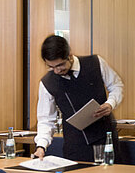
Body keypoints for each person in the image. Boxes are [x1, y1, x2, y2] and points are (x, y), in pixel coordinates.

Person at [33, 34, 124, 162]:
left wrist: (111, 103)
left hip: (105, 139)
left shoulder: (96, 63)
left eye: (59, 65)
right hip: (75, 145)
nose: (56, 71)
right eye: (51, 67)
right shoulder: (46, 83)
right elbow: (46, 120)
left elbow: (116, 85)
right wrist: (41, 146)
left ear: (70, 56)